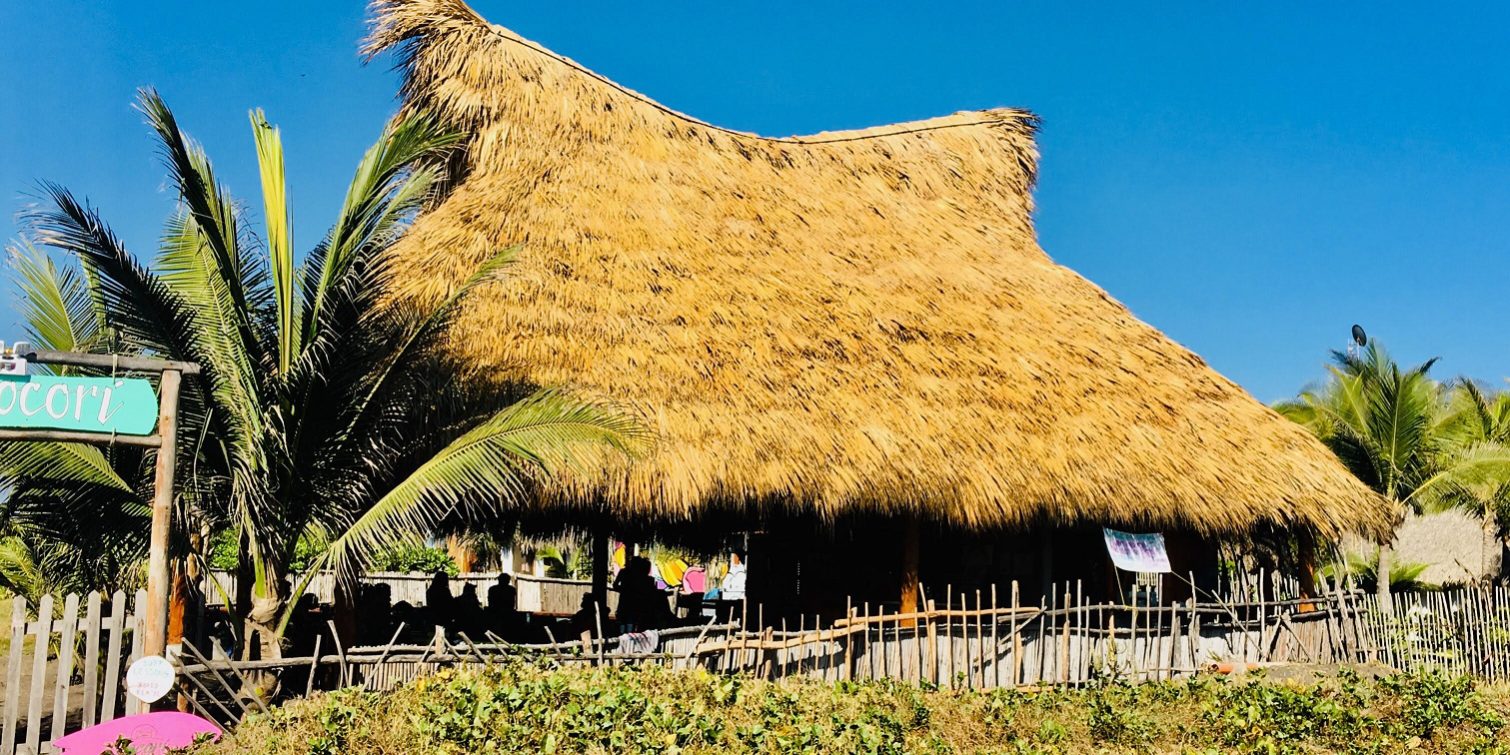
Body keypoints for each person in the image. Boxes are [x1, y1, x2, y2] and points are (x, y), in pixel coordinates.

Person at [613, 556, 672, 631]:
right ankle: (629, 633)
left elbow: (615, 585)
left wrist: (624, 590)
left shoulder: (625, 572)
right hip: (633, 600)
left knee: (625, 618)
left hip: (628, 599)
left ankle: (624, 633)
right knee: (630, 618)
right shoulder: (640, 576)